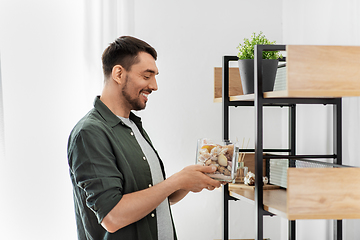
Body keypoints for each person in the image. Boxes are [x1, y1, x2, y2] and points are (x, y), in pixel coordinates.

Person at [67, 36, 222, 240]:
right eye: (147, 76)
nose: (155, 86)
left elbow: (153, 198)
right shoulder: (90, 133)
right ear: (119, 74)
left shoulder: (132, 125)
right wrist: (176, 181)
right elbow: (112, 216)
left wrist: (188, 181)